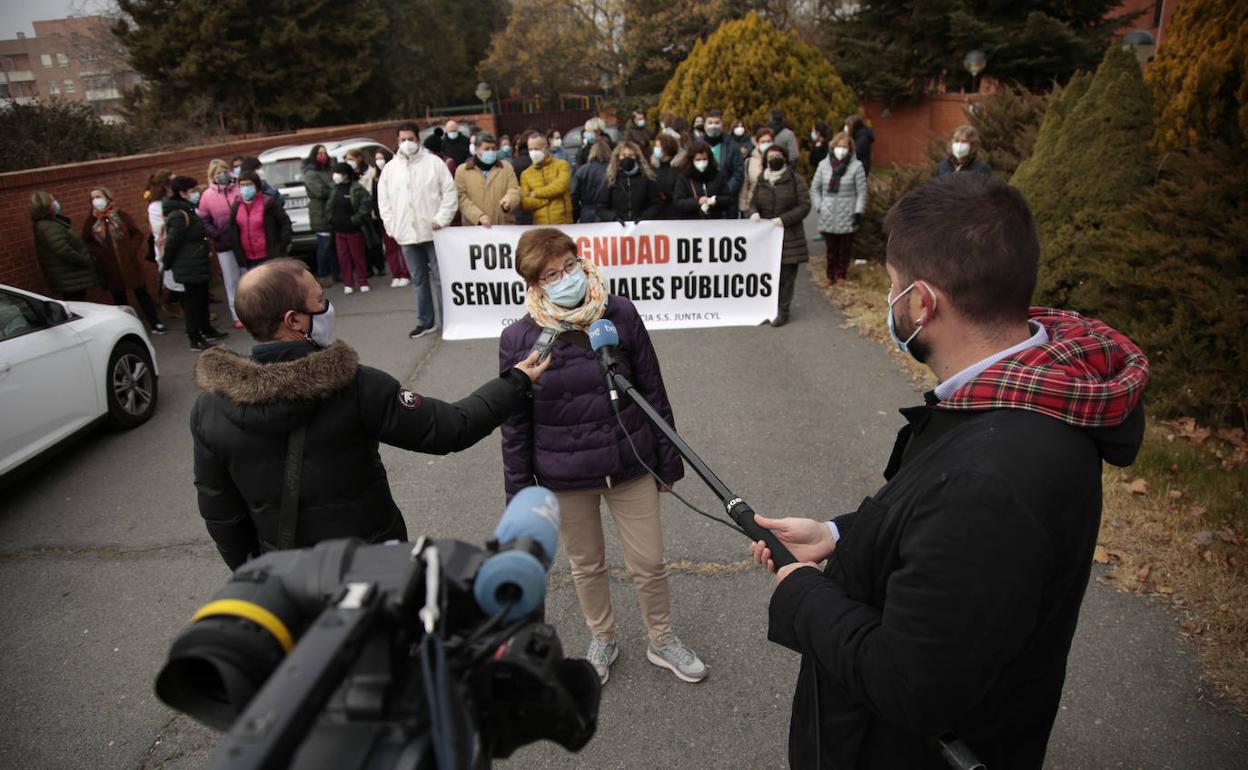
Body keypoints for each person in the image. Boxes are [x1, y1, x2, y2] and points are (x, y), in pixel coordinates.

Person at [749, 172, 1150, 770]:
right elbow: (930, 525)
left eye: (891, 288)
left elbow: (909, 683)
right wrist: (839, 534)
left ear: (922, 303)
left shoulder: (991, 481)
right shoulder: (1019, 393)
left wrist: (802, 596)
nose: (890, 304)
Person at [191, 258, 552, 570]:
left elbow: (222, 514)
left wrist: (256, 574)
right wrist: (516, 381)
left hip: (287, 580)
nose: (328, 309)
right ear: (294, 320)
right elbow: (451, 429)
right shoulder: (355, 385)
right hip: (375, 570)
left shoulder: (209, 407)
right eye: (320, 301)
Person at [498, 227, 706, 686]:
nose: (566, 278)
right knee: (586, 565)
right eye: (552, 274)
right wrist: (519, 492)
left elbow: (652, 389)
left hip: (630, 463)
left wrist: (668, 462)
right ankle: (603, 637)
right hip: (563, 476)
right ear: (534, 286)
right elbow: (515, 424)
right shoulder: (520, 339)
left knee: (649, 562)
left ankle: (662, 639)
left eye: (570, 266)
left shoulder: (620, 314)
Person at [377, 121, 457, 339]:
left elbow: (449, 193)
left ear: (418, 140)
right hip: (406, 235)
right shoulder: (390, 170)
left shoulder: (434, 164)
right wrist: (393, 228)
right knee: (419, 280)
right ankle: (426, 322)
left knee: (441, 279)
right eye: (402, 140)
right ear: (397, 141)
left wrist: (441, 219)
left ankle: (449, 321)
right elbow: (384, 202)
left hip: (434, 232)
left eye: (410, 139)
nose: (406, 143)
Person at [81, 187, 165, 332]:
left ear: (107, 197)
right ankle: (132, 327)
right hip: (110, 267)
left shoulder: (120, 215)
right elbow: (87, 241)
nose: (96, 200)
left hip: (129, 263)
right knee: (120, 299)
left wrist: (130, 250)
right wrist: (99, 254)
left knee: (142, 293)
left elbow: (136, 234)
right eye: (93, 198)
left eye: (98, 196)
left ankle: (154, 322)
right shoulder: (92, 221)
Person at [748, 145, 811, 327]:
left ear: (785, 158)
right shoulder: (762, 180)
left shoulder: (794, 180)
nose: (774, 158)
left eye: (778, 155)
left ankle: (782, 311)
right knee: (768, 277)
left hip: (790, 237)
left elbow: (804, 205)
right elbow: (754, 203)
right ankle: (767, 310)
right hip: (766, 238)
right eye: (771, 156)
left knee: (786, 277)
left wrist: (784, 219)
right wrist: (753, 213)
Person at [164, 176, 223, 351]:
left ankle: (205, 329)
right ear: (182, 193)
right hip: (188, 265)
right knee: (192, 302)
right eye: (192, 191)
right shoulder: (179, 215)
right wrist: (167, 264)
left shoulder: (188, 210)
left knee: (202, 298)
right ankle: (194, 337)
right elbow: (172, 242)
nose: (196, 194)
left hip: (197, 262)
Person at [811, 131, 868, 287]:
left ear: (850, 149)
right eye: (839, 146)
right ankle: (830, 275)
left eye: (844, 146)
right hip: (827, 212)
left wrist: (858, 211)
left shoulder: (857, 167)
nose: (841, 149)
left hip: (847, 212)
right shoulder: (823, 165)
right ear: (833, 146)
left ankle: (842, 274)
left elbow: (862, 192)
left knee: (844, 248)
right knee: (830, 248)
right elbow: (815, 188)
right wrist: (819, 205)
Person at [198, 159, 245, 328]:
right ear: (212, 176)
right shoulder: (207, 196)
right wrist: (214, 233)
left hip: (243, 240)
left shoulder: (239, 188)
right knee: (231, 280)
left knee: (248, 277)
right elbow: (204, 219)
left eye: (224, 170)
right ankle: (237, 315)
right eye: (218, 172)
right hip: (223, 243)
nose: (222, 175)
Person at [30, 191, 99, 301]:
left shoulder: (50, 223)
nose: (56, 202)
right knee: (77, 304)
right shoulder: (48, 226)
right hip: (70, 277)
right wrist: (85, 260)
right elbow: (63, 250)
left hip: (70, 277)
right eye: (53, 200)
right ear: (46, 204)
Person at [325, 162, 375, 294]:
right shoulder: (334, 189)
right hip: (339, 230)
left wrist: (355, 219)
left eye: (339, 173)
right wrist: (331, 219)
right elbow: (329, 206)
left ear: (346, 175)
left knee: (358, 256)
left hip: (353, 229)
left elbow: (366, 204)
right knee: (343, 258)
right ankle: (348, 283)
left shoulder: (357, 188)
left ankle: (362, 281)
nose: (335, 176)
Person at [365, 148, 410, 288]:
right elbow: (376, 199)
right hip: (384, 218)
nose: (379, 161)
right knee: (390, 249)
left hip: (400, 216)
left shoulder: (395, 173)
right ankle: (396, 274)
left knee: (402, 247)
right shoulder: (375, 177)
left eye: (381, 158)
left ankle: (406, 273)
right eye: (377, 158)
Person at [455, 132, 521, 229]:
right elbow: (461, 198)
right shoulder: (462, 171)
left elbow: (514, 189)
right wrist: (478, 216)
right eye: (486, 149)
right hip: (475, 228)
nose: (491, 152)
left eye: (493, 149)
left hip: (503, 226)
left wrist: (509, 200)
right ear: (477, 150)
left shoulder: (506, 167)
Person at [229, 171, 293, 272]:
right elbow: (233, 229)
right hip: (248, 258)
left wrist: (282, 245)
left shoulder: (269, 203)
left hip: (269, 255)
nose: (246, 188)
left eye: (249, 184)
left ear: (256, 186)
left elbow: (285, 223)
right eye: (242, 185)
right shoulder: (237, 206)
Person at [146, 169, 183, 317]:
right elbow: (162, 228)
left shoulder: (178, 201)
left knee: (186, 284)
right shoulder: (155, 207)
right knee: (179, 284)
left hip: (184, 248)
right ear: (166, 186)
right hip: (170, 250)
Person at [302, 144, 338, 288]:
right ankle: (323, 275)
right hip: (320, 214)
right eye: (319, 153)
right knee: (324, 246)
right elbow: (320, 191)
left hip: (333, 213)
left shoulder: (329, 170)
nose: (323, 156)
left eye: (324, 153)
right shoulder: (311, 173)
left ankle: (336, 272)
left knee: (333, 246)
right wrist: (333, 187)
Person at [345, 148, 386, 277]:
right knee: (363, 243)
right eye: (347, 159)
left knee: (375, 240)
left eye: (351, 159)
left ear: (359, 158)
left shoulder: (370, 172)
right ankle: (368, 268)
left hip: (371, 211)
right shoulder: (348, 174)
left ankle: (379, 265)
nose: (349, 162)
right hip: (358, 212)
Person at [520, 133, 573, 225]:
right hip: (540, 226)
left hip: (563, 223)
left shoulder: (561, 165)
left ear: (546, 147)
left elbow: (561, 186)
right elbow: (525, 203)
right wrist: (545, 200)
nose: (533, 152)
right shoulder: (526, 174)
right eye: (530, 149)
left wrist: (536, 193)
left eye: (536, 149)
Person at [673, 141, 730, 220]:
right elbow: (678, 202)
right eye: (698, 159)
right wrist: (697, 202)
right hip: (691, 222)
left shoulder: (718, 175)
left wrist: (715, 201)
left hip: (715, 221)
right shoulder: (683, 177)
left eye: (704, 159)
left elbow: (728, 199)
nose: (702, 162)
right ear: (691, 160)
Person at [702, 110, 744, 215]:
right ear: (705, 125)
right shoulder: (697, 144)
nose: (713, 126)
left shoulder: (732, 145)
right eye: (710, 123)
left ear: (722, 125)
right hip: (702, 199)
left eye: (717, 123)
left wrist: (726, 190)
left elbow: (738, 171)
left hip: (726, 202)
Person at [606, 141, 660, 222]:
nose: (627, 158)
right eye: (623, 155)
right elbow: (601, 207)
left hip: (642, 227)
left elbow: (656, 204)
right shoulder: (611, 179)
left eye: (631, 155)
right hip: (617, 229)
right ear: (618, 157)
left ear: (637, 157)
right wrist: (614, 218)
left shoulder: (647, 178)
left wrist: (645, 217)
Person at [571, 139, 612, 223]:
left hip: (586, 212)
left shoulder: (582, 170)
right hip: (607, 212)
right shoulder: (611, 170)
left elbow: (573, 195)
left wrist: (576, 214)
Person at [738, 127, 775, 218]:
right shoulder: (749, 162)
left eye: (768, 141)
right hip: (752, 209)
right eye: (763, 142)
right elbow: (745, 186)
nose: (766, 144)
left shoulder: (779, 160)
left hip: (773, 208)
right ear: (757, 144)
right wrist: (743, 208)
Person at [651, 133, 683, 220]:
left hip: (674, 213)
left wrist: (668, 195)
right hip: (656, 214)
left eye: (658, 147)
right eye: (655, 146)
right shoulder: (652, 167)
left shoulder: (679, 168)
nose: (656, 149)